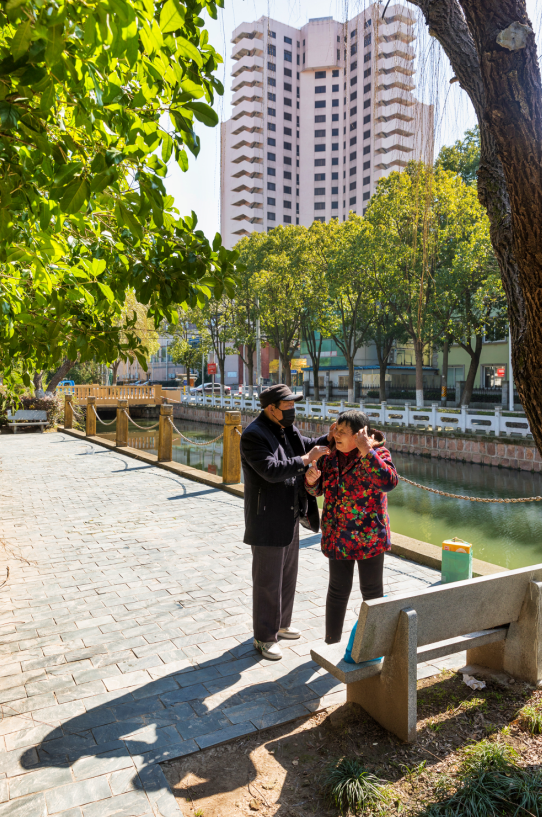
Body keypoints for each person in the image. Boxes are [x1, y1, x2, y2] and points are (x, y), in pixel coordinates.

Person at [241, 384, 330, 661]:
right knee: (268, 581)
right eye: (287, 405)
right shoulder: (253, 435)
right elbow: (270, 470)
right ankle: (264, 638)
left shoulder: (285, 428)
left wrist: (336, 434)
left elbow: (307, 446)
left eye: (293, 404)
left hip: (290, 512)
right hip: (266, 518)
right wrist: (306, 460)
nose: (292, 410)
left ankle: (281, 624)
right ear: (271, 408)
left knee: (287, 575)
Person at [304, 409, 398, 646]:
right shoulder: (329, 457)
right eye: (337, 429)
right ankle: (331, 642)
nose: (336, 435)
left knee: (372, 593)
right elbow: (318, 491)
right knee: (337, 590)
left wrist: (367, 452)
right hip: (337, 537)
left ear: (360, 435)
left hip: (369, 538)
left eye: (343, 431)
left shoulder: (378, 453)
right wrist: (311, 481)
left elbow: (389, 482)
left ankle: (374, 645)